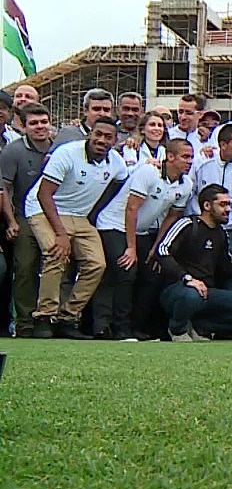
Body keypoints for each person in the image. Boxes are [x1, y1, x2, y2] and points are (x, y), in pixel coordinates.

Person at [25, 117, 128, 338]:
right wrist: (61, 234)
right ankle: (44, 317)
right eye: (98, 134)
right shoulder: (67, 153)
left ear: (115, 141)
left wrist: (91, 214)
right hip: (43, 208)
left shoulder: (117, 165)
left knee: (97, 264)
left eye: (108, 137)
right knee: (55, 253)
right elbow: (44, 194)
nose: (102, 140)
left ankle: (68, 317)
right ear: (89, 134)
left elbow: (114, 188)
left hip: (79, 216)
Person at [93, 137, 194, 340]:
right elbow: (131, 209)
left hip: (142, 231)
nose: (189, 161)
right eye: (185, 157)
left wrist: (155, 248)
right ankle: (120, 328)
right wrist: (131, 248)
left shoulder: (186, 184)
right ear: (170, 157)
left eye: (191, 157)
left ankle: (138, 327)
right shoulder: (149, 172)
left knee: (153, 272)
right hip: (113, 224)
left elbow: (171, 217)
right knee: (126, 269)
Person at [156, 184, 232, 341]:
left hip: (206, 292)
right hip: (178, 290)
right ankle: (177, 330)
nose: (228, 209)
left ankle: (199, 328)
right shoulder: (188, 224)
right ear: (207, 206)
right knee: (192, 295)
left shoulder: (221, 234)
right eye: (222, 204)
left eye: (229, 204)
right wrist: (187, 278)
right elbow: (162, 250)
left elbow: (225, 269)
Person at [1, 102, 53, 336]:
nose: (40, 127)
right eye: (33, 123)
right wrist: (11, 221)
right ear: (23, 126)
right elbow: (4, 188)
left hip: (53, 215)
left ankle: (51, 318)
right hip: (23, 216)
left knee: (56, 265)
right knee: (24, 267)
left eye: (44, 122)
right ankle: (25, 322)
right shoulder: (13, 151)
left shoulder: (59, 147)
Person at [190, 125, 232, 295]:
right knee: (200, 270)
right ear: (223, 145)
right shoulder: (202, 161)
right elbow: (189, 192)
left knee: (228, 272)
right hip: (200, 229)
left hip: (229, 231)